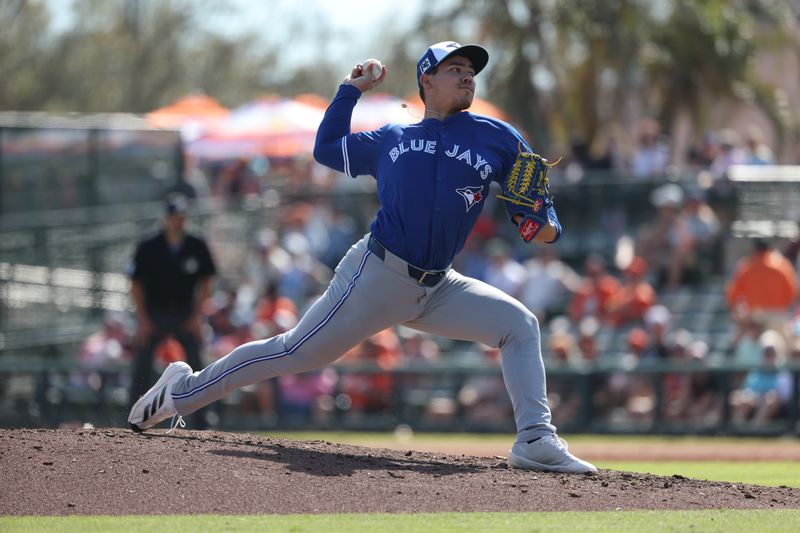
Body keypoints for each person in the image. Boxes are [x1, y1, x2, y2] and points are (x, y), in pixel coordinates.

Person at [128, 41, 596, 474]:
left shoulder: (497, 136)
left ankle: (535, 438)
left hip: (438, 286)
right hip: (376, 274)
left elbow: (537, 208)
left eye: (472, 71)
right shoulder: (392, 136)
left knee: (520, 325)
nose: (468, 76)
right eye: (456, 69)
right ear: (426, 81)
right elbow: (326, 149)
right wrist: (349, 91)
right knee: (293, 351)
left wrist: (546, 224)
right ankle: (182, 390)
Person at [128, 194, 217, 428]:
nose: (178, 222)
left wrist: (198, 316)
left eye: (182, 217)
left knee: (198, 362)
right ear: (166, 219)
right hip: (155, 313)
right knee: (142, 364)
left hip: (185, 314)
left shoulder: (196, 245)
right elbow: (135, 284)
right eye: (174, 217)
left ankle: (202, 421)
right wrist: (143, 319)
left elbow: (208, 281)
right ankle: (135, 415)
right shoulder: (149, 247)